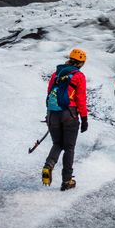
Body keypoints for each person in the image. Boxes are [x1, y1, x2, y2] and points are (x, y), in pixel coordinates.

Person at [43, 48, 88, 191]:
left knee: (57, 143)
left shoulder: (56, 73)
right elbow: (80, 99)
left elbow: (49, 92)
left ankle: (48, 165)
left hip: (52, 113)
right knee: (69, 148)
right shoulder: (79, 76)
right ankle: (67, 180)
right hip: (69, 114)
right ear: (80, 63)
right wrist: (84, 118)